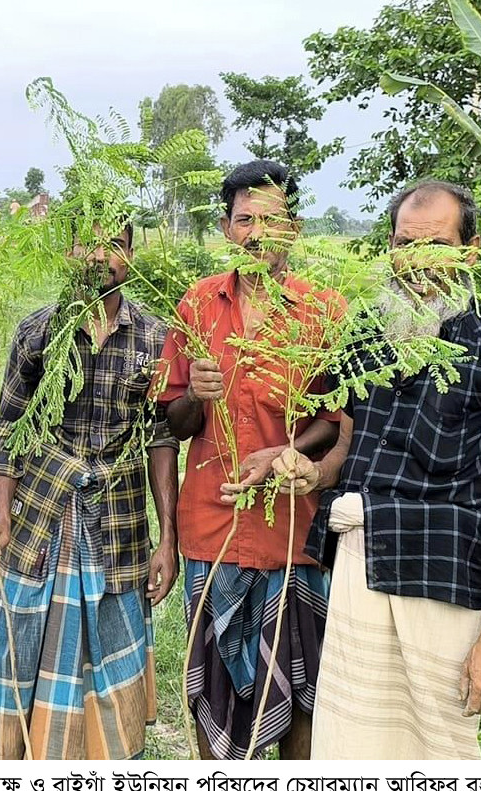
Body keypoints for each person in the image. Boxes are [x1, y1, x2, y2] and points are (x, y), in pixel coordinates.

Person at [275, 180, 481, 759]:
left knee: (439, 757)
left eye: (437, 246)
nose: (417, 263)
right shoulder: (367, 333)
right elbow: (352, 449)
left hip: (444, 586)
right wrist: (313, 472)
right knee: (351, 752)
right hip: (360, 570)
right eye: (404, 245)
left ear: (470, 252)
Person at [0, 213, 179, 759]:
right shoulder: (38, 332)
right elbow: (9, 432)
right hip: (42, 522)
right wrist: (0, 511)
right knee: (29, 667)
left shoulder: (159, 338)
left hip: (118, 528)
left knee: (112, 668)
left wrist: (168, 539)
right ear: (68, 253)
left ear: (132, 255)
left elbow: (162, 440)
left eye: (114, 243)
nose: (99, 256)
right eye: (86, 243)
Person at [157, 160, 340, 760]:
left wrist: (288, 450)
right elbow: (172, 422)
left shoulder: (327, 312)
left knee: (300, 701)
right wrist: (195, 396)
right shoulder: (198, 305)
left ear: (295, 227)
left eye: (272, 219)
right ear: (226, 227)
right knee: (210, 695)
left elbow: (337, 419)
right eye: (244, 220)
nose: (258, 233)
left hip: (294, 529)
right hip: (213, 524)